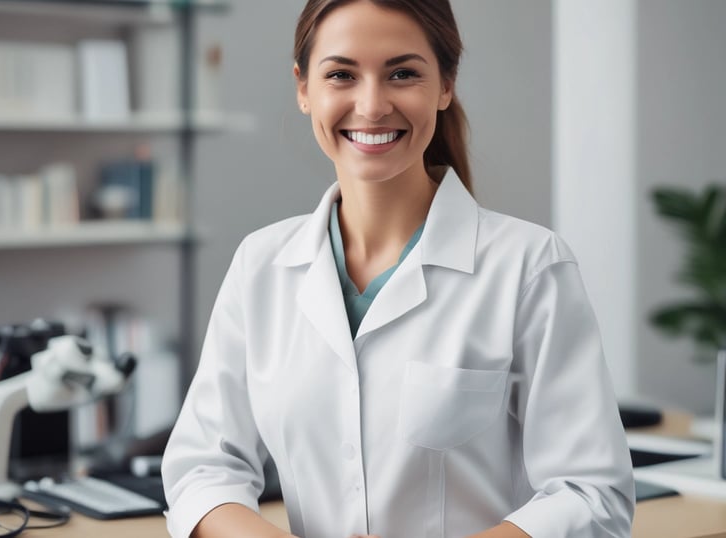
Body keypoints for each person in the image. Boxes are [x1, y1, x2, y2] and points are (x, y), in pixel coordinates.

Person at [161, 0, 635, 536]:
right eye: (341, 74)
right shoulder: (261, 265)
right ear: (303, 88)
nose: (371, 104)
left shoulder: (528, 266)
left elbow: (591, 495)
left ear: (446, 85)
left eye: (403, 73)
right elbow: (202, 468)